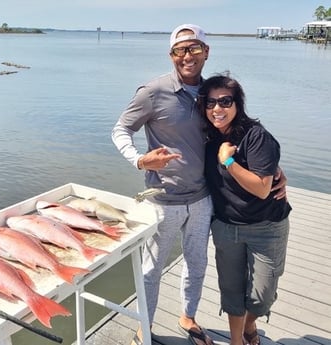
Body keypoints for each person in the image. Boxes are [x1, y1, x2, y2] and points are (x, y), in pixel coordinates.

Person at [112, 23, 216, 345]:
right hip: (162, 201)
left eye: (194, 48)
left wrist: (270, 165)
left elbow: (237, 131)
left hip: (202, 199)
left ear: (206, 52)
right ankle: (145, 325)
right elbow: (120, 130)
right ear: (171, 55)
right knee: (150, 270)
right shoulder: (153, 91)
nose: (188, 55)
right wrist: (141, 160)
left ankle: (188, 317)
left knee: (197, 263)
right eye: (180, 50)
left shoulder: (215, 93)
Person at [197, 74, 291, 345]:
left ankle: (251, 324)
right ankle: (237, 340)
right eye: (210, 102)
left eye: (225, 101)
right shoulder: (207, 138)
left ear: (238, 104)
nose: (217, 109)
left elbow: (262, 188)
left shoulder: (256, 136)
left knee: (261, 296)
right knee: (232, 292)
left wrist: (228, 161)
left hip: (266, 228)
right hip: (226, 227)